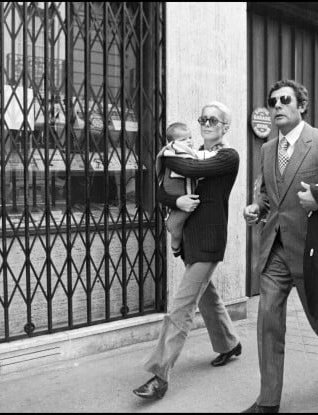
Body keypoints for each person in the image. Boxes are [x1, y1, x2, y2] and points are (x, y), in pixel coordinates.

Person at [242, 80, 318, 413]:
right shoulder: (267, 150)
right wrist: (256, 209)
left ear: (301, 106)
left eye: (284, 100)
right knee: (267, 318)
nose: (277, 106)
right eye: (272, 102)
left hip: (312, 251)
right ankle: (268, 402)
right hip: (274, 251)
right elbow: (269, 198)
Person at [133, 101, 242, 400]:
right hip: (189, 241)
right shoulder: (189, 152)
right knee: (207, 297)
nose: (206, 124)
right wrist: (176, 202)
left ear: (224, 127)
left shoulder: (227, 156)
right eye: (203, 118)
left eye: (213, 120)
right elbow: (160, 191)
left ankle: (159, 375)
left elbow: (192, 168)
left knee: (181, 308)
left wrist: (167, 154)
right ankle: (230, 343)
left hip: (209, 242)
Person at [155, 122, 217, 257]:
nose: (189, 142)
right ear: (173, 143)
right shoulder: (173, 154)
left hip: (197, 224)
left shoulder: (192, 153)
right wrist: (177, 201)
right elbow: (193, 165)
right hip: (178, 194)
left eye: (190, 138)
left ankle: (177, 245)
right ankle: (175, 246)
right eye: (183, 140)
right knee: (175, 225)